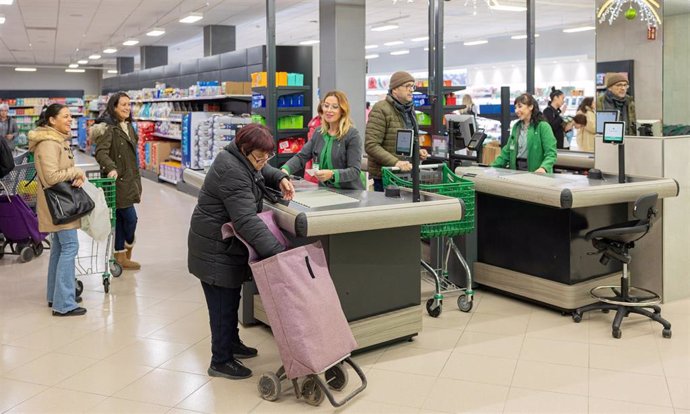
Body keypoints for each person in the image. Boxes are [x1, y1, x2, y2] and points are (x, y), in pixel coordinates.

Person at [187, 123, 295, 380]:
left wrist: (279, 176)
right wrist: (278, 253)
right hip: (215, 249)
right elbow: (246, 221)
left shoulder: (237, 157)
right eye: (259, 157)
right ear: (244, 150)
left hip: (222, 246)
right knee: (222, 305)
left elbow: (262, 169)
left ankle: (232, 343)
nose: (263, 161)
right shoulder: (232, 171)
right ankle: (221, 360)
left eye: (267, 156)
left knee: (231, 298)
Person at [28, 104, 87, 316]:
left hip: (58, 204)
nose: (70, 119)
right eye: (66, 116)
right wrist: (75, 171)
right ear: (52, 120)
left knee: (59, 249)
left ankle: (56, 296)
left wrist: (75, 175)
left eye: (71, 116)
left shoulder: (56, 141)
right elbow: (52, 177)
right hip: (60, 206)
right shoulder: (48, 144)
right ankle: (64, 304)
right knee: (70, 247)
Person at [93, 92, 142, 270]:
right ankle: (127, 247)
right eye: (123, 104)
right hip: (117, 182)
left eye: (129, 104)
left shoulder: (128, 127)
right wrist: (111, 168)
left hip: (130, 180)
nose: (127, 108)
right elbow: (100, 153)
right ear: (114, 107)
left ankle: (120, 255)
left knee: (122, 219)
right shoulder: (108, 128)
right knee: (131, 218)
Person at [281, 90, 363, 189]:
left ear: (342, 111)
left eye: (334, 107)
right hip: (326, 191)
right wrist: (285, 170)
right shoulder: (318, 133)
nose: (329, 110)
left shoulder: (352, 135)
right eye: (326, 105)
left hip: (350, 193)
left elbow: (354, 171)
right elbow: (301, 157)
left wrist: (332, 174)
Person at [365, 71, 428, 192]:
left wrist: (417, 152)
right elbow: (371, 145)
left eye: (412, 86)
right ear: (394, 89)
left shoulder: (409, 110)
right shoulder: (381, 109)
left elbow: (406, 140)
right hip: (385, 177)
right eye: (407, 86)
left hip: (406, 175)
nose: (411, 90)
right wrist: (396, 162)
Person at [490, 93, 557, 174]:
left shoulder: (543, 126)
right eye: (515, 108)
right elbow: (507, 152)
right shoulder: (516, 127)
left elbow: (551, 153)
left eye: (520, 106)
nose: (516, 111)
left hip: (537, 173)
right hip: (516, 171)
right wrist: (492, 167)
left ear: (531, 107)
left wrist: (544, 168)